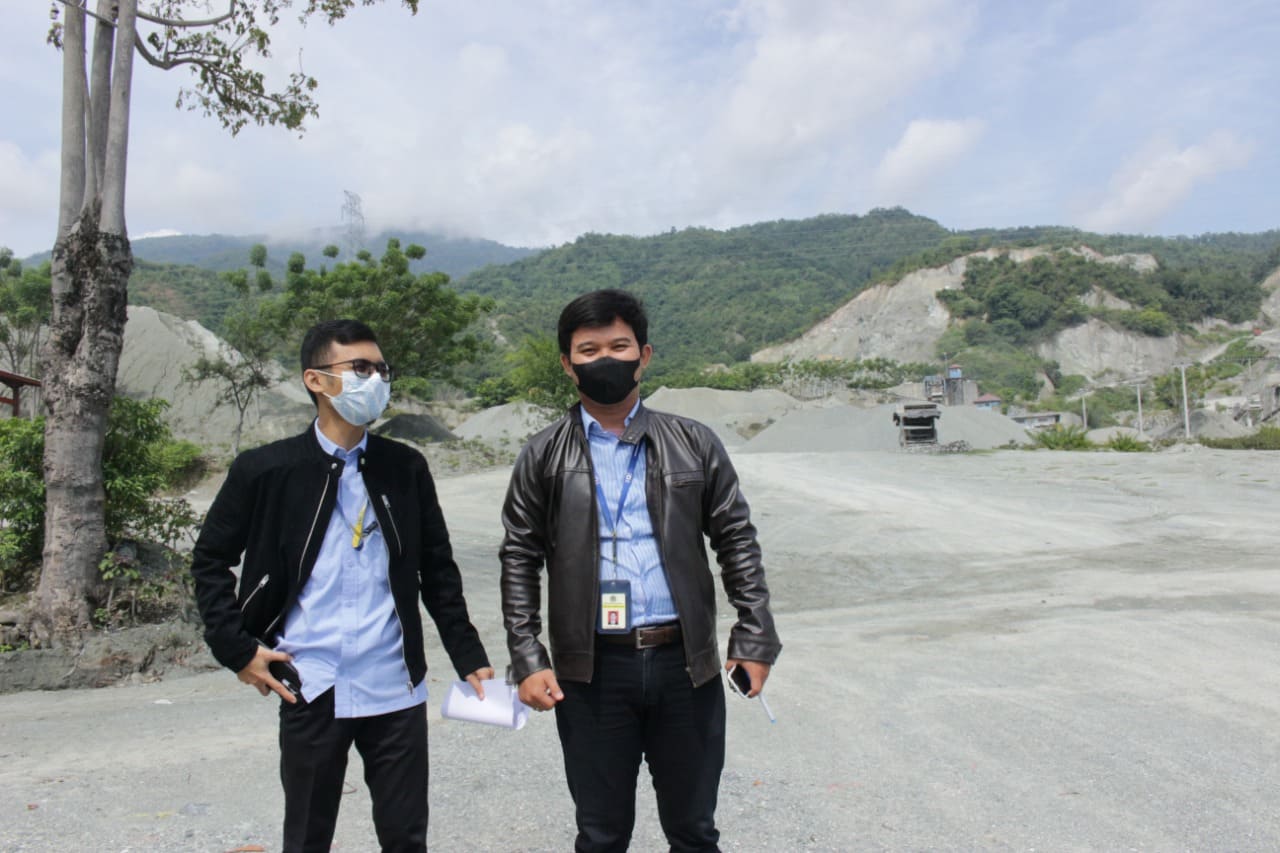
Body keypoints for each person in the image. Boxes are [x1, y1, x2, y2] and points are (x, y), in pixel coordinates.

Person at [191, 318, 493, 852]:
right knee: (308, 836)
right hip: (310, 680)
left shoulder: (405, 467)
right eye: (359, 368)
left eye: (381, 369)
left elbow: (437, 568)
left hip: (394, 684)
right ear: (316, 380)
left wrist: (468, 654)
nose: (375, 379)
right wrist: (237, 650)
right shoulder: (265, 470)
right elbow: (210, 559)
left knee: (406, 838)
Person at [500, 289, 782, 852]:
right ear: (567, 364)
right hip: (593, 674)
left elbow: (736, 539)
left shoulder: (693, 442)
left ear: (644, 355)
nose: (605, 359)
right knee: (601, 834)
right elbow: (519, 557)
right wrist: (528, 657)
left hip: (686, 667)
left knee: (694, 830)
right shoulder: (542, 455)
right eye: (589, 350)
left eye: (619, 346)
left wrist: (754, 635)